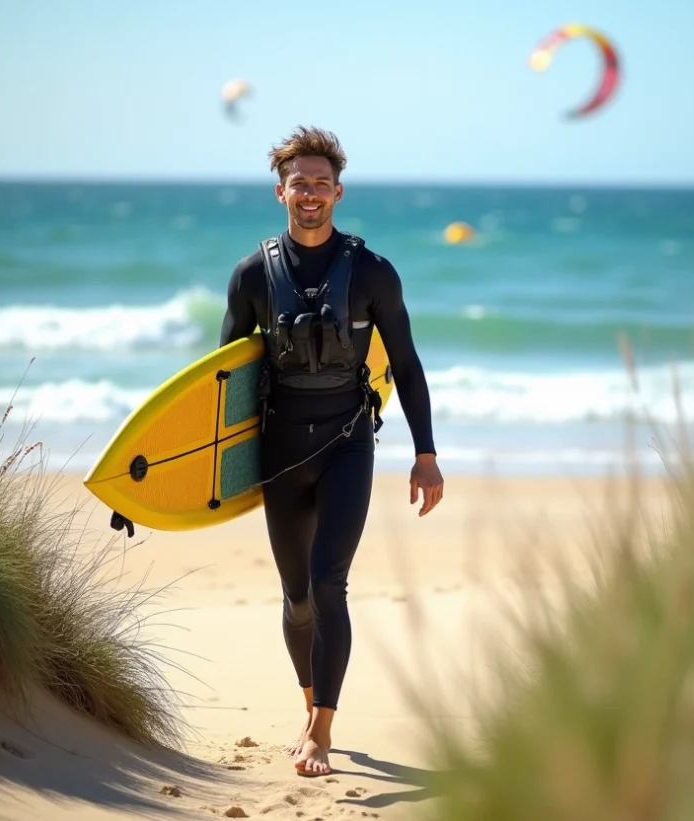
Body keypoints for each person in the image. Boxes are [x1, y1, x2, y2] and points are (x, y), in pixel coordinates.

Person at [218, 125, 444, 777]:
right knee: (296, 597)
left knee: (327, 583)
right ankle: (308, 703)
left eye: (322, 183)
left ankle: (321, 728)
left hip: (347, 445)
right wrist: (209, 479)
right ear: (281, 193)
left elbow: (407, 364)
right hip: (280, 453)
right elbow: (221, 382)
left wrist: (425, 453)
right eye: (300, 183)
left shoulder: (372, 272)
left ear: (338, 193)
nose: (311, 193)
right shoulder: (252, 275)